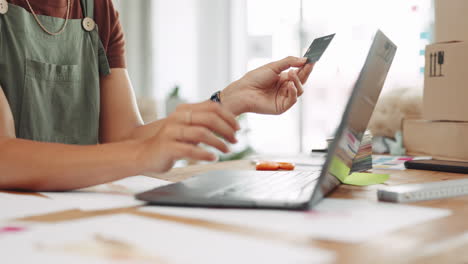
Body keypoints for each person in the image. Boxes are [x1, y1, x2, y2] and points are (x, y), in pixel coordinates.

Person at [0, 0, 313, 191]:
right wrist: (142, 155)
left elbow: (125, 139)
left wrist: (232, 98)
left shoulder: (99, 9)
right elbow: (5, 158)